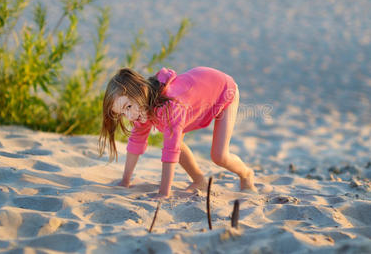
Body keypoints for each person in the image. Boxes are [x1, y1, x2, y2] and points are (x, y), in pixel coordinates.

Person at [99, 66, 257, 198]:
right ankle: (199, 180)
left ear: (141, 91)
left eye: (128, 107)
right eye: (122, 113)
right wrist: (125, 182)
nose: (129, 116)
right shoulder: (139, 109)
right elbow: (136, 142)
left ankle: (246, 174)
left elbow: (170, 152)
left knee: (219, 156)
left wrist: (163, 193)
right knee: (176, 140)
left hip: (223, 90)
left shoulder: (169, 108)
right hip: (197, 91)